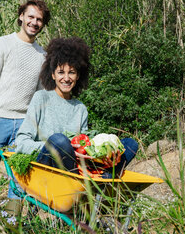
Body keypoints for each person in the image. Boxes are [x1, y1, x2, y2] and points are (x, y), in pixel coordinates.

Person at [16, 37, 139, 178]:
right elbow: (21, 143)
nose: (66, 78)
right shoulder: (41, 98)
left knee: (130, 144)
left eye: (72, 72)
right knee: (59, 141)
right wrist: (55, 147)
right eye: (61, 72)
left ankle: (103, 181)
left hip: (76, 167)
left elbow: (85, 146)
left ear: (78, 76)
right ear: (53, 75)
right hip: (47, 166)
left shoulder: (80, 109)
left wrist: (104, 152)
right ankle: (90, 185)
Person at [0, 0, 51, 199]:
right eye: (30, 17)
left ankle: (11, 224)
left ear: (43, 23)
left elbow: (41, 96)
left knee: (19, 181)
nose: (34, 22)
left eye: (39, 19)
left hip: (24, 125)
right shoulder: (3, 44)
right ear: (21, 17)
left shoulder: (43, 56)